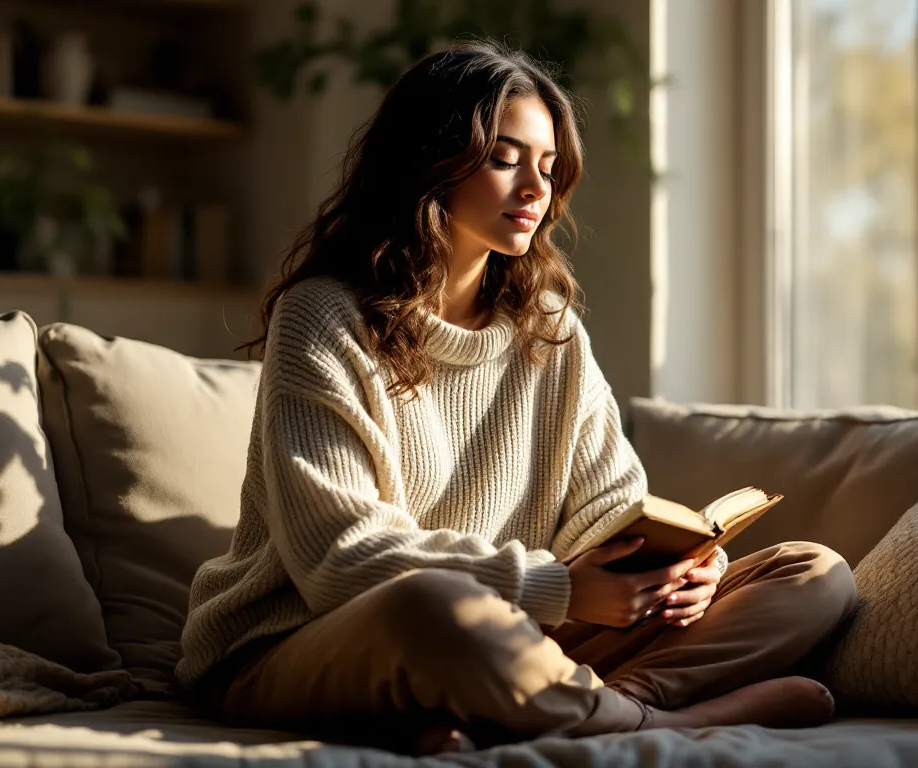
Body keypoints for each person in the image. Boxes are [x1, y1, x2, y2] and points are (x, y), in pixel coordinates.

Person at [176, 40, 857, 755]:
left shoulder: (548, 326)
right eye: (505, 158)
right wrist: (556, 588)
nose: (537, 188)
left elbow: (607, 508)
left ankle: (593, 703)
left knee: (813, 574)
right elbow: (339, 560)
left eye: (549, 165)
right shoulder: (324, 315)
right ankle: (658, 727)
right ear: (427, 161)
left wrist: (677, 569)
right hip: (295, 642)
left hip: (514, 628)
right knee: (434, 604)